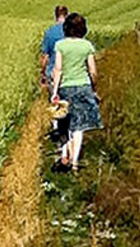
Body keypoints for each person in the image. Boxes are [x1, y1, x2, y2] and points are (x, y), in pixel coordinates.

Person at [48, 13, 101, 171]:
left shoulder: (60, 45)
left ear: (66, 28)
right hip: (83, 86)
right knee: (79, 127)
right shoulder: (87, 46)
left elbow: (58, 69)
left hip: (65, 87)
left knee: (65, 122)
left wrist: (55, 91)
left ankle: (64, 155)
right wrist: (94, 88)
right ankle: (75, 162)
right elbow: (93, 71)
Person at [38, 6, 70, 144]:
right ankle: (67, 133)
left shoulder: (49, 32)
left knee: (54, 102)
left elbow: (45, 56)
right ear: (66, 15)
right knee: (67, 102)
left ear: (56, 15)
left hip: (52, 72)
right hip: (68, 72)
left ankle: (57, 131)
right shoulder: (70, 31)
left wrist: (42, 73)